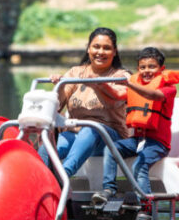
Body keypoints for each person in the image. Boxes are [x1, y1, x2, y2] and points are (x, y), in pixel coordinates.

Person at [90, 47, 179, 220]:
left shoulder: (168, 89)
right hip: (137, 140)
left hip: (158, 144)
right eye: (142, 67)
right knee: (111, 148)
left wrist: (128, 84)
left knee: (139, 165)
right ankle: (108, 190)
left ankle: (146, 212)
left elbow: (152, 95)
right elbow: (117, 95)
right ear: (138, 68)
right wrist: (99, 84)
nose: (146, 71)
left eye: (152, 67)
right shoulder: (136, 84)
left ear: (161, 68)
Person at [38, 27, 131, 178]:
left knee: (91, 129)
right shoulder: (76, 73)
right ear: (88, 49)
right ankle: (36, 179)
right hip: (76, 134)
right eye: (96, 46)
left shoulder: (121, 76)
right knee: (51, 144)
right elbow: (58, 104)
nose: (100, 52)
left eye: (106, 48)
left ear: (114, 52)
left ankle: (62, 177)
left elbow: (117, 96)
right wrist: (59, 84)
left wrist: (99, 83)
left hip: (110, 138)